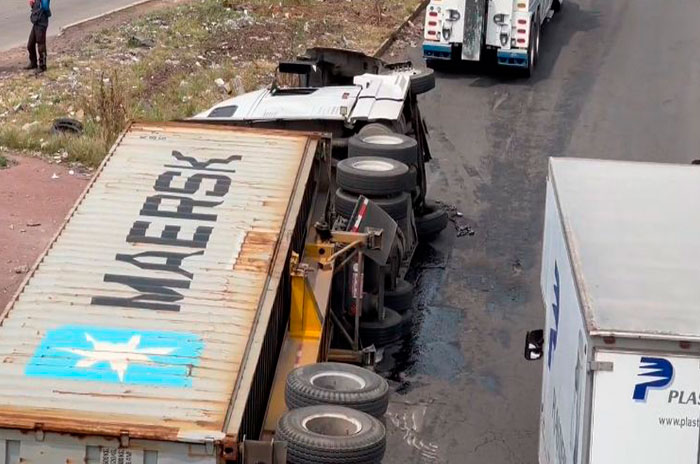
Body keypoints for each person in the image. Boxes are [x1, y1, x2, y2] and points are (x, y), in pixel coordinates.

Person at [26, 0, 51, 74]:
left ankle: (42, 66)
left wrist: (41, 13)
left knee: (41, 45)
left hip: (41, 21)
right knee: (30, 45)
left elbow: (45, 7)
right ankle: (33, 63)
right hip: (36, 21)